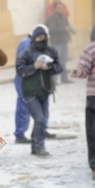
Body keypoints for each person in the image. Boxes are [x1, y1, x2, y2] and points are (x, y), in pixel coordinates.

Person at [16, 25, 63, 156]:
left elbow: (60, 67)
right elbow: (20, 70)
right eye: (38, 37)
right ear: (34, 38)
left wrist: (50, 67)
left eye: (43, 37)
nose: (41, 39)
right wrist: (34, 66)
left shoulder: (51, 51)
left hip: (45, 91)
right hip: (30, 92)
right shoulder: (26, 52)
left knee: (40, 120)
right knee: (40, 118)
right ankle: (39, 146)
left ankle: (35, 145)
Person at [71, 26, 95, 180]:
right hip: (94, 97)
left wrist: (80, 71)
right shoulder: (92, 48)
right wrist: (78, 71)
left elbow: (83, 69)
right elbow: (83, 68)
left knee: (93, 133)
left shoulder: (90, 48)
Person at [46, 1, 73, 84]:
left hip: (64, 42)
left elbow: (68, 26)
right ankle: (54, 80)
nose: (61, 9)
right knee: (56, 61)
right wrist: (64, 29)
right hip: (56, 43)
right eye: (59, 8)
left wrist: (71, 30)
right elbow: (51, 30)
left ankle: (64, 79)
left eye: (62, 8)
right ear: (55, 9)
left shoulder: (64, 17)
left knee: (63, 61)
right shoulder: (52, 18)